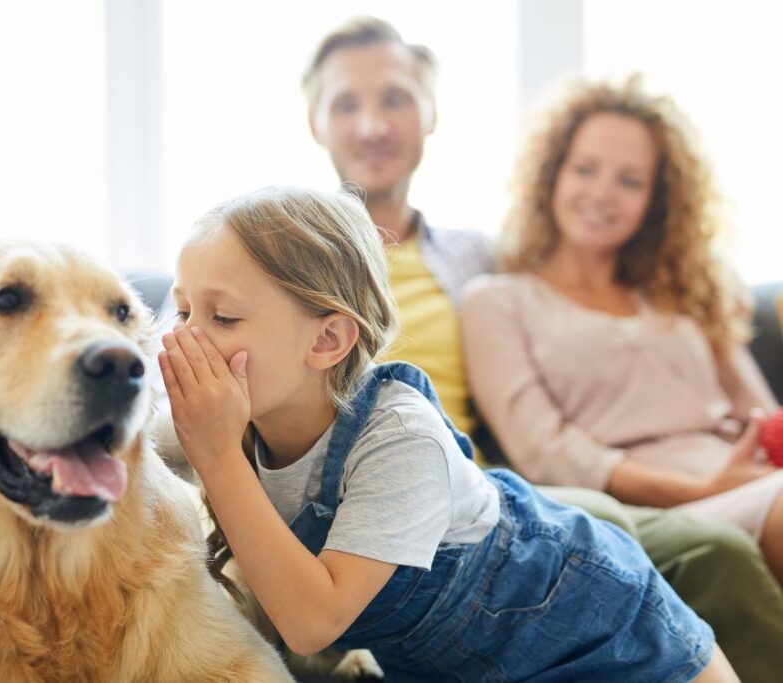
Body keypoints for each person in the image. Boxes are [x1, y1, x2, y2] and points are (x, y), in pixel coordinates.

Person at [298, 16, 783, 681]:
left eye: (396, 100)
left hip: (485, 486)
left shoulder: (475, 258)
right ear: (314, 122)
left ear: (432, 114)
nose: (374, 125)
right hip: (391, 486)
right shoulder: (291, 257)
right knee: (668, 536)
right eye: (347, 104)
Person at [159, 185, 735, 681]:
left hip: (597, 632)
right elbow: (117, 448)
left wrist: (217, 456)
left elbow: (313, 622)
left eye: (223, 318)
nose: (186, 340)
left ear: (327, 340)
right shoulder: (224, 419)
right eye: (183, 312)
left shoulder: (400, 438)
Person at [459, 77, 783, 584]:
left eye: (629, 181)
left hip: (744, 477)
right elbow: (547, 452)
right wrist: (704, 490)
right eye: (585, 169)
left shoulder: (682, 295)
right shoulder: (497, 301)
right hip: (650, 509)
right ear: (552, 175)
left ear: (656, 200)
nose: (601, 194)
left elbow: (760, 414)